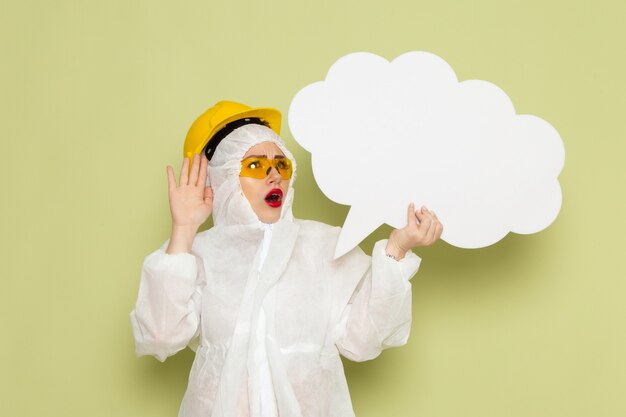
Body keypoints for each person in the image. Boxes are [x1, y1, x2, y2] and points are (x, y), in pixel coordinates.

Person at [130, 101, 443, 417]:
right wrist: (183, 229)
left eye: (282, 165)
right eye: (254, 166)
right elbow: (161, 335)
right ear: (222, 178)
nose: (273, 176)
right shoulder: (198, 254)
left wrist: (397, 249)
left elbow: (363, 339)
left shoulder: (324, 246)